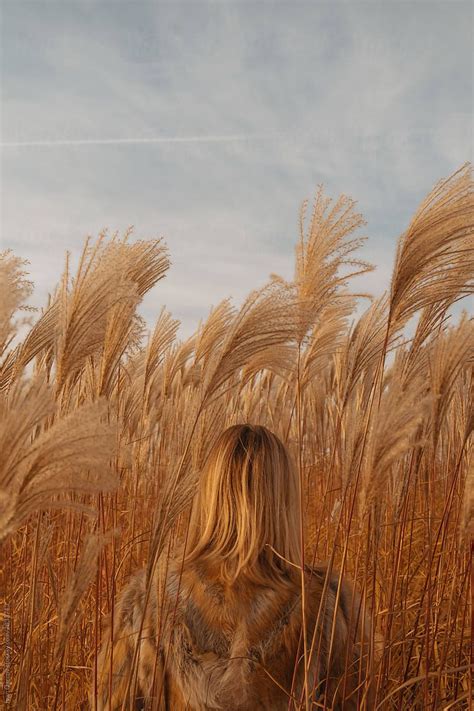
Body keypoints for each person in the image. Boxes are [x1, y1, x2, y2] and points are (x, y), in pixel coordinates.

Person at [93, 424, 374, 710]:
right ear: (284, 500)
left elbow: (110, 703)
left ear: (209, 495)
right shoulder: (329, 607)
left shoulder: (150, 601)